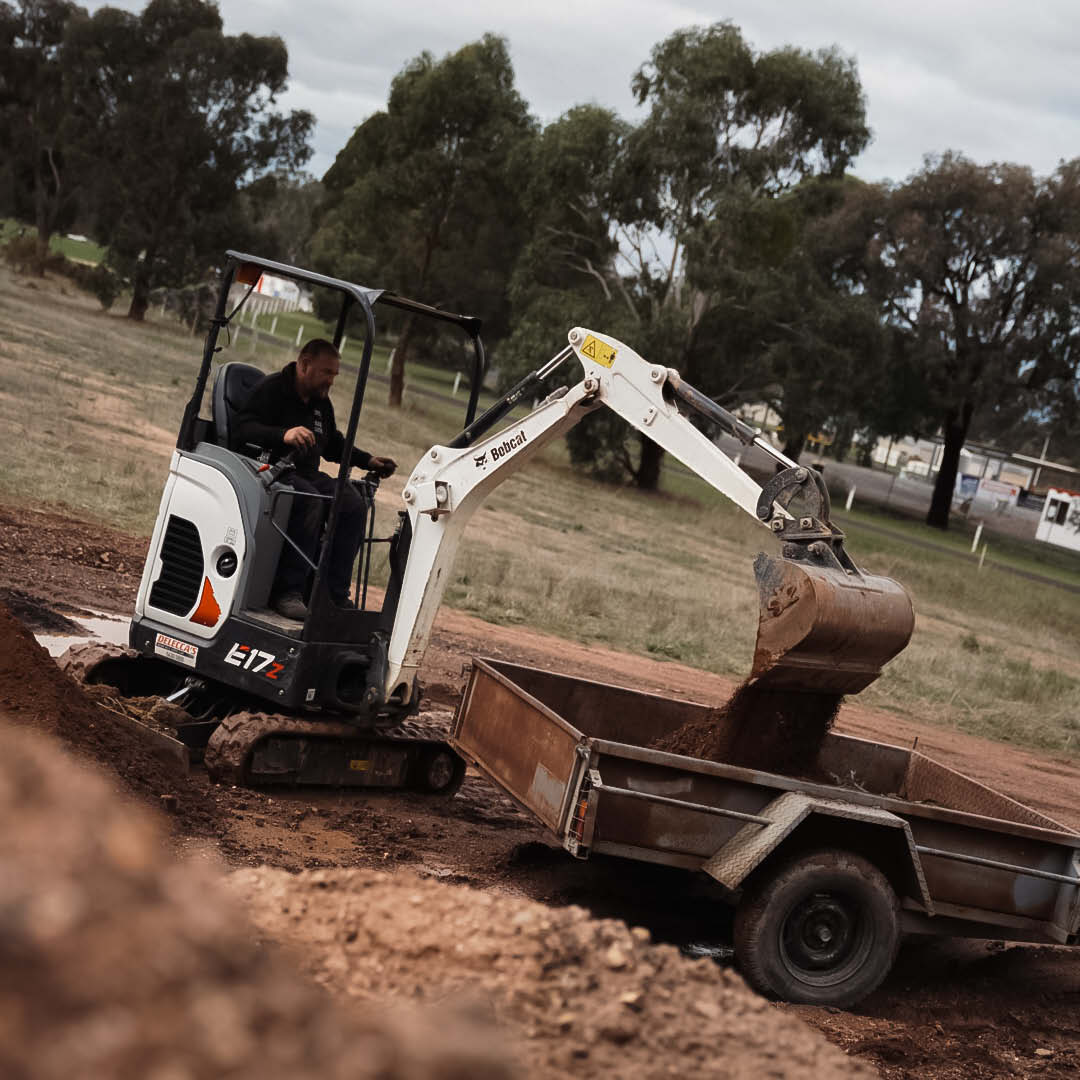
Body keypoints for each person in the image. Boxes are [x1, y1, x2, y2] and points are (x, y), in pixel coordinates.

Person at [234, 338, 397, 620]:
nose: (331, 381)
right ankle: (288, 592)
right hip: (268, 470)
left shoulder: (322, 404)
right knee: (311, 500)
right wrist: (282, 435)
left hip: (306, 473)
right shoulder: (271, 390)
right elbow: (241, 429)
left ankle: (332, 595)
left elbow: (332, 444)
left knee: (352, 503)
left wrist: (368, 460)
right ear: (305, 364)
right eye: (326, 373)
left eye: (334, 375)